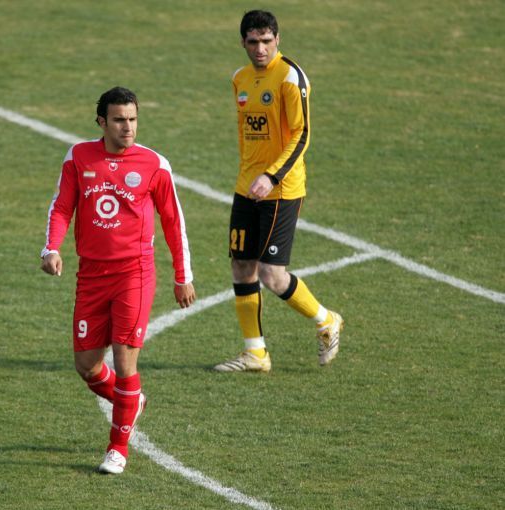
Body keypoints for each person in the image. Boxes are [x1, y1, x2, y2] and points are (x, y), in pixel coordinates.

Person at [40, 86, 196, 474]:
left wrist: (183, 276)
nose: (128, 127)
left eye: (133, 119)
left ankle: (117, 448)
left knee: (125, 362)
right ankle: (131, 401)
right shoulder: (79, 157)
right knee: (87, 365)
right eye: (119, 120)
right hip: (91, 274)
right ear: (101, 122)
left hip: (134, 274)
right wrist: (51, 248)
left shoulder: (154, 164)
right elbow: (62, 207)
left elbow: (173, 222)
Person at [214, 10, 343, 373]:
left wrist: (271, 177)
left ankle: (326, 320)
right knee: (241, 266)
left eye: (267, 41)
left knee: (271, 274)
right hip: (247, 188)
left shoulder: (290, 77)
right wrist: (249, 176)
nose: (260, 48)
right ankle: (255, 353)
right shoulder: (240, 79)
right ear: (243, 42)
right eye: (253, 42)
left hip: (281, 189)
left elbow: (302, 135)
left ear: (278, 39)